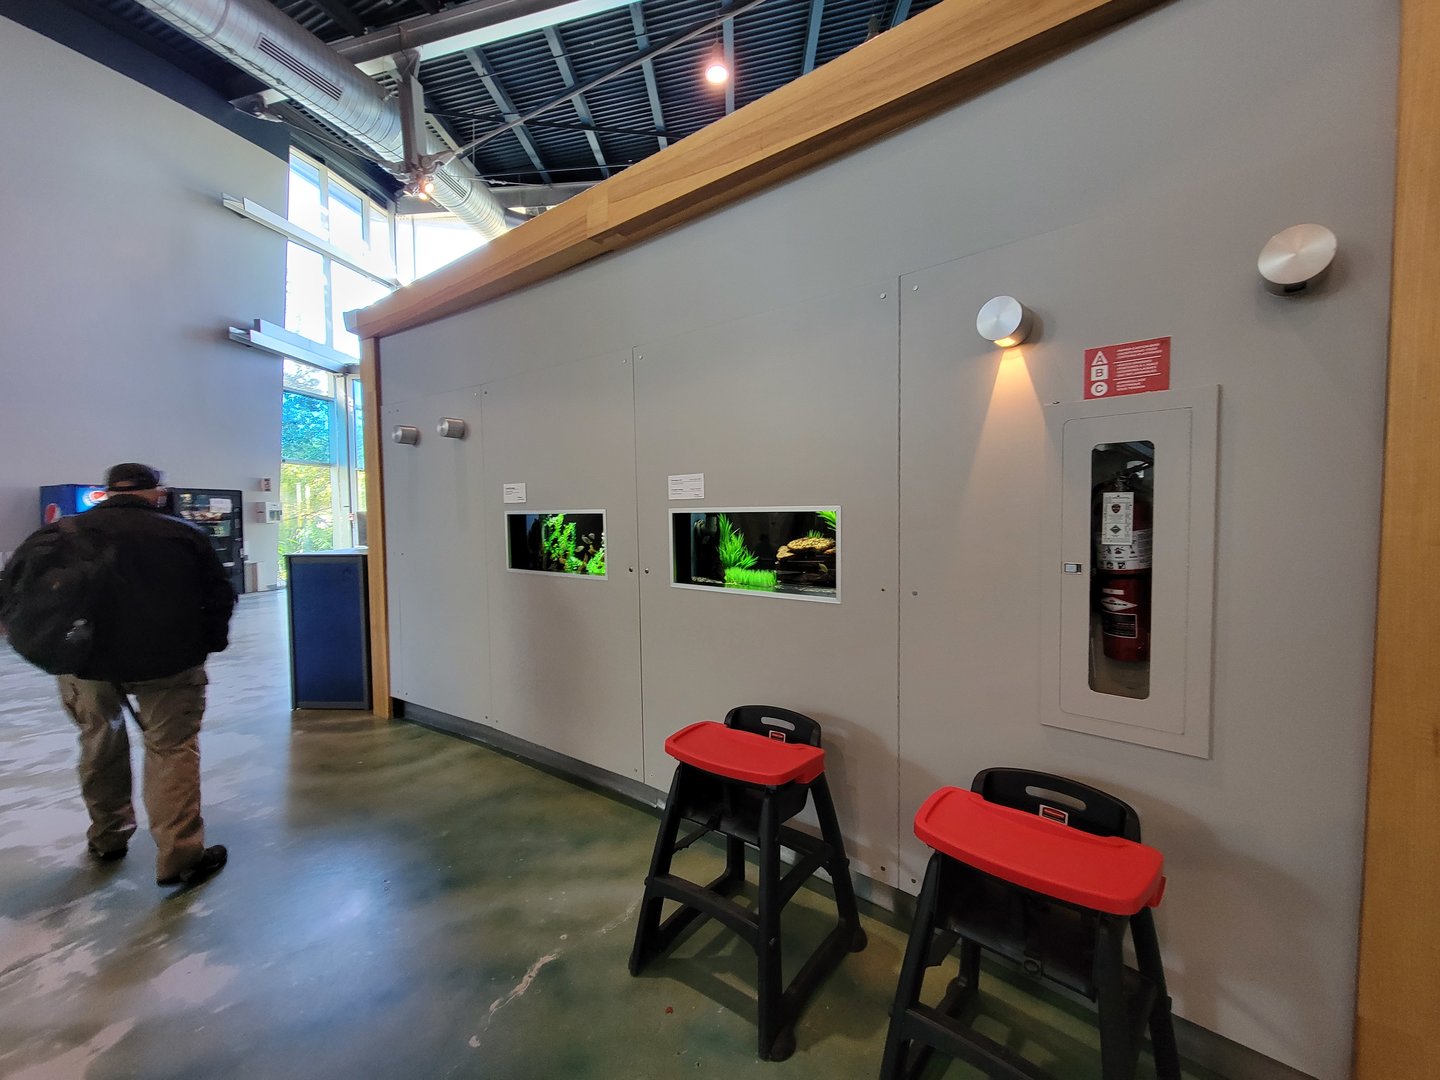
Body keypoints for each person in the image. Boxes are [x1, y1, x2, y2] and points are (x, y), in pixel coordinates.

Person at [24, 463, 235, 886]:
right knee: (171, 749)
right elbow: (219, 597)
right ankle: (179, 857)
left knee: (100, 741)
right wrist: (206, 645)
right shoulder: (183, 535)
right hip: (169, 663)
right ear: (155, 492)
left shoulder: (64, 533)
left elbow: (23, 597)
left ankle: (108, 837)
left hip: (86, 664)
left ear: (108, 492)